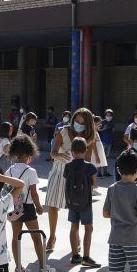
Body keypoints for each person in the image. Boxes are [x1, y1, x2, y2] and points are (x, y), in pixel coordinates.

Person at [45, 108, 100, 253]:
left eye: (82, 123)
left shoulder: (89, 137)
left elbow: (87, 160)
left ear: (87, 124)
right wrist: (59, 156)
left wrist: (88, 182)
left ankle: (76, 237)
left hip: (77, 176)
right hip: (59, 171)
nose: (78, 124)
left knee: (76, 208)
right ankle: (52, 236)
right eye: (77, 121)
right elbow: (53, 152)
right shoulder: (63, 131)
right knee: (52, 205)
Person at [5, 134, 52, 272]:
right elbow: (34, 193)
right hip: (28, 207)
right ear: (27, 153)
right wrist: (39, 207)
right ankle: (43, 268)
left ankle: (18, 268)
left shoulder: (9, 171)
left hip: (14, 206)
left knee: (15, 238)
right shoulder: (30, 171)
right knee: (36, 237)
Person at [64, 137, 100, 268]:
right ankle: (86, 257)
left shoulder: (68, 166)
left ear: (72, 152)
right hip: (86, 203)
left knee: (74, 227)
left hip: (72, 202)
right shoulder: (90, 167)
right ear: (85, 151)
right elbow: (94, 183)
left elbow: (67, 181)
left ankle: (75, 256)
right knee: (88, 228)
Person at [92, 115, 109, 186]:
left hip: (98, 153)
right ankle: (92, 185)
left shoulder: (96, 132)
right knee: (93, 170)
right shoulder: (93, 132)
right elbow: (93, 145)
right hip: (94, 155)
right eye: (98, 123)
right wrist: (97, 156)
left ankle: (93, 185)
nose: (100, 125)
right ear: (94, 123)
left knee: (94, 170)